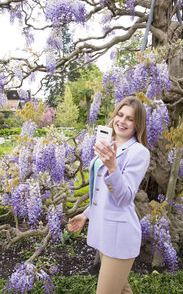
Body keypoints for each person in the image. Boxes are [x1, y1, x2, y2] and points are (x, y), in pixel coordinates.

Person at [68, 96, 150, 294]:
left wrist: (113, 166)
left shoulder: (139, 152)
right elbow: (101, 192)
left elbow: (124, 198)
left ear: (137, 124)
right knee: (122, 290)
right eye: (120, 115)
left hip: (119, 236)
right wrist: (87, 214)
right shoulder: (109, 144)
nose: (122, 121)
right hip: (103, 231)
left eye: (130, 119)